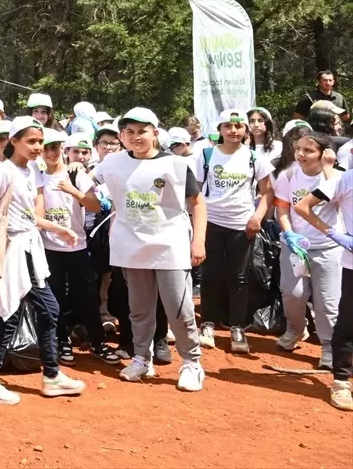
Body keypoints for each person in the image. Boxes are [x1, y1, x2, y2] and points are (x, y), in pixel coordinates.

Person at [0, 118, 86, 405]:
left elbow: (25, 216)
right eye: (32, 141)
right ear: (14, 141)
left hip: (29, 249)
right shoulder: (3, 172)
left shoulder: (29, 171)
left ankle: (49, 375)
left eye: (40, 141)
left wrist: (58, 228)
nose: (38, 147)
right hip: (13, 253)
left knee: (44, 311)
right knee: (12, 315)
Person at [84, 108, 206, 391]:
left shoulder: (176, 164)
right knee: (138, 307)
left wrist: (198, 240)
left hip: (170, 245)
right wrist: (78, 187)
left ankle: (191, 362)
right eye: (129, 132)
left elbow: (198, 203)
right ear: (122, 136)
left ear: (155, 133)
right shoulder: (112, 163)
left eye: (142, 131)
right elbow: (88, 185)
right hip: (131, 246)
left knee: (178, 307)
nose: (136, 137)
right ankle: (141, 358)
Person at [193, 110, 273, 354]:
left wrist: (257, 217)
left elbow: (268, 191)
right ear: (220, 130)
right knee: (210, 275)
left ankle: (237, 327)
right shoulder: (206, 155)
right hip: (212, 222)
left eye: (238, 126)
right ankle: (207, 323)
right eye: (228, 126)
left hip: (242, 224)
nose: (233, 131)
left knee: (239, 277)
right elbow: (195, 192)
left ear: (245, 130)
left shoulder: (254, 158)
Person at [37, 130, 119, 365]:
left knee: (87, 297)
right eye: (47, 148)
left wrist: (73, 190)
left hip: (78, 247)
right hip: (49, 248)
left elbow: (95, 206)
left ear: (62, 148)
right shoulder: (38, 176)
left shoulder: (75, 175)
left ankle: (97, 342)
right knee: (56, 298)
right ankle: (62, 341)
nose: (51, 153)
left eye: (55, 148)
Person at [274, 130, 343, 370]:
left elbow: (336, 196)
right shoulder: (288, 175)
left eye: (309, 150)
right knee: (293, 293)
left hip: (328, 248)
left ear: (324, 154)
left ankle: (328, 346)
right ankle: (295, 329)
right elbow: (282, 208)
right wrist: (289, 232)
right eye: (298, 149)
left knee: (327, 301)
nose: (301, 154)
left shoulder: (337, 178)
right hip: (295, 246)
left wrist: (329, 168)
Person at [293, 161, 353, 410]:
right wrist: (335, 234)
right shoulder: (345, 179)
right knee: (348, 322)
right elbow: (302, 206)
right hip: (352, 263)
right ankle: (341, 381)